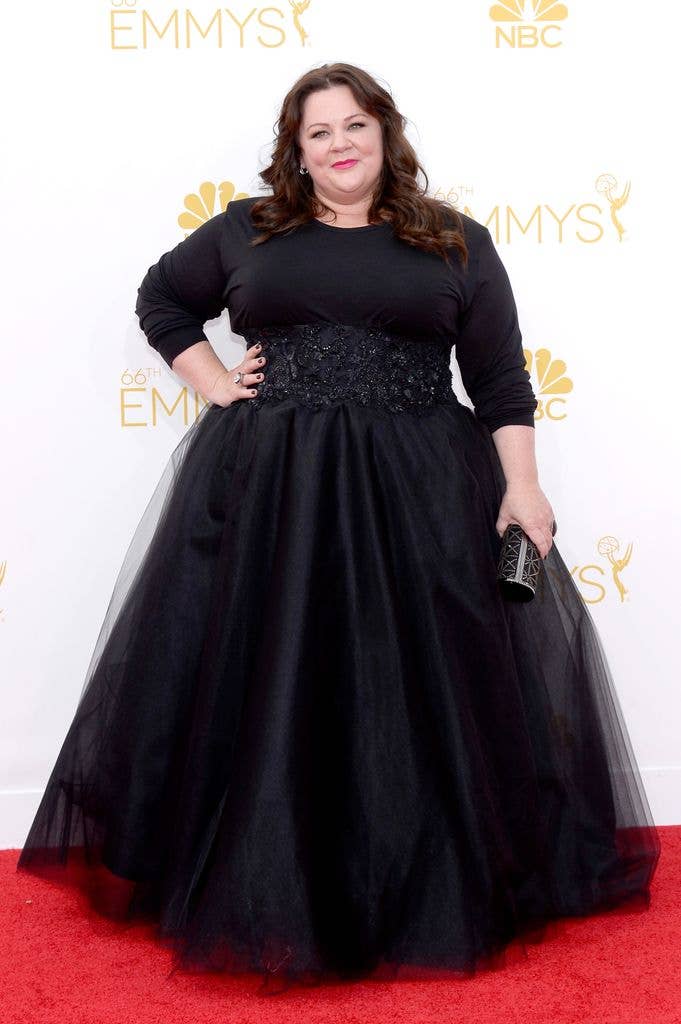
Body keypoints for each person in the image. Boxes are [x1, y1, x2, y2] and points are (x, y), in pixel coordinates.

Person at [16, 62, 660, 993]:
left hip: (420, 488)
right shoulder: (247, 228)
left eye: (354, 124)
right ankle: (264, 878)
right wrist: (212, 379)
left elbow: (499, 379)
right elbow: (162, 299)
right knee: (270, 668)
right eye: (317, 132)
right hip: (272, 488)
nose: (339, 143)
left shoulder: (454, 240)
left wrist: (522, 487)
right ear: (297, 151)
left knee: (418, 685)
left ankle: (421, 885)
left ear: (385, 134)